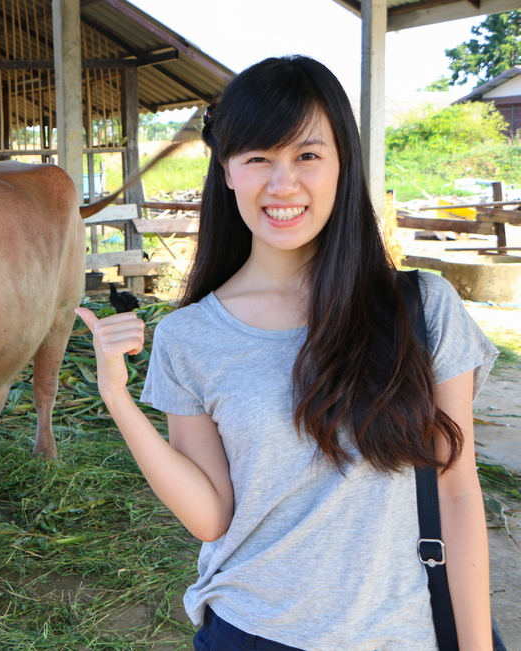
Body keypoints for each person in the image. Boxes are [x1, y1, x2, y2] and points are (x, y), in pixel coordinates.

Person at [75, 55, 499, 651]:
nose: (283, 184)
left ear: (341, 163)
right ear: (226, 171)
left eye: (306, 155)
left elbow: (457, 491)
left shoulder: (422, 307)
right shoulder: (190, 335)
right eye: (258, 159)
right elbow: (211, 517)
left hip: (403, 634)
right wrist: (117, 397)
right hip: (253, 632)